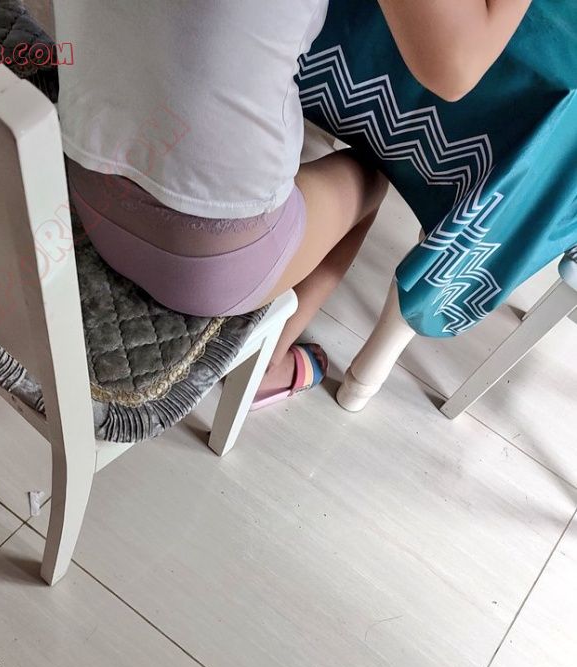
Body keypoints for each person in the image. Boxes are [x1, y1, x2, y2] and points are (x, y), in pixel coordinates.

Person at [52, 0, 532, 406]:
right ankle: (269, 367)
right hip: (205, 264)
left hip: (81, 179)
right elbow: (456, 67)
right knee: (370, 178)